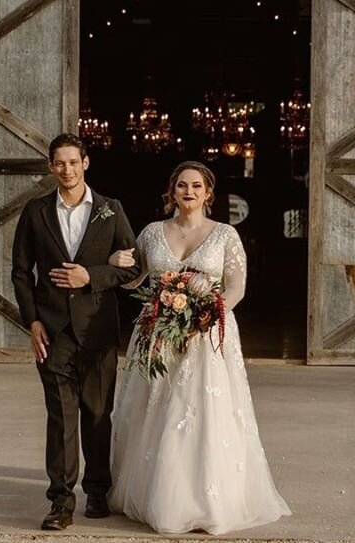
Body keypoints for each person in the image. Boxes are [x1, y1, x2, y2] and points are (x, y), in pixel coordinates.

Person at [107, 161, 291, 535]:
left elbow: (237, 287)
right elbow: (134, 281)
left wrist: (207, 315)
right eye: (181, 186)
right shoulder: (152, 233)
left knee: (202, 413)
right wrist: (114, 263)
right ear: (171, 191)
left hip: (207, 336)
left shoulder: (225, 235)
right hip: (158, 332)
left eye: (196, 186)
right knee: (155, 408)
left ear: (208, 193)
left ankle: (205, 500)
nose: (188, 192)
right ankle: (154, 491)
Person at [11, 133, 139, 531]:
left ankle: (97, 492)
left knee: (99, 416)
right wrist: (31, 320)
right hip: (52, 331)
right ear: (51, 167)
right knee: (61, 419)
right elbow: (20, 271)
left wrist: (92, 276)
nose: (66, 169)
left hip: (98, 329)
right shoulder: (35, 212)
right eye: (59, 163)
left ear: (86, 163)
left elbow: (134, 267)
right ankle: (61, 502)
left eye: (73, 162)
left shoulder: (110, 210)